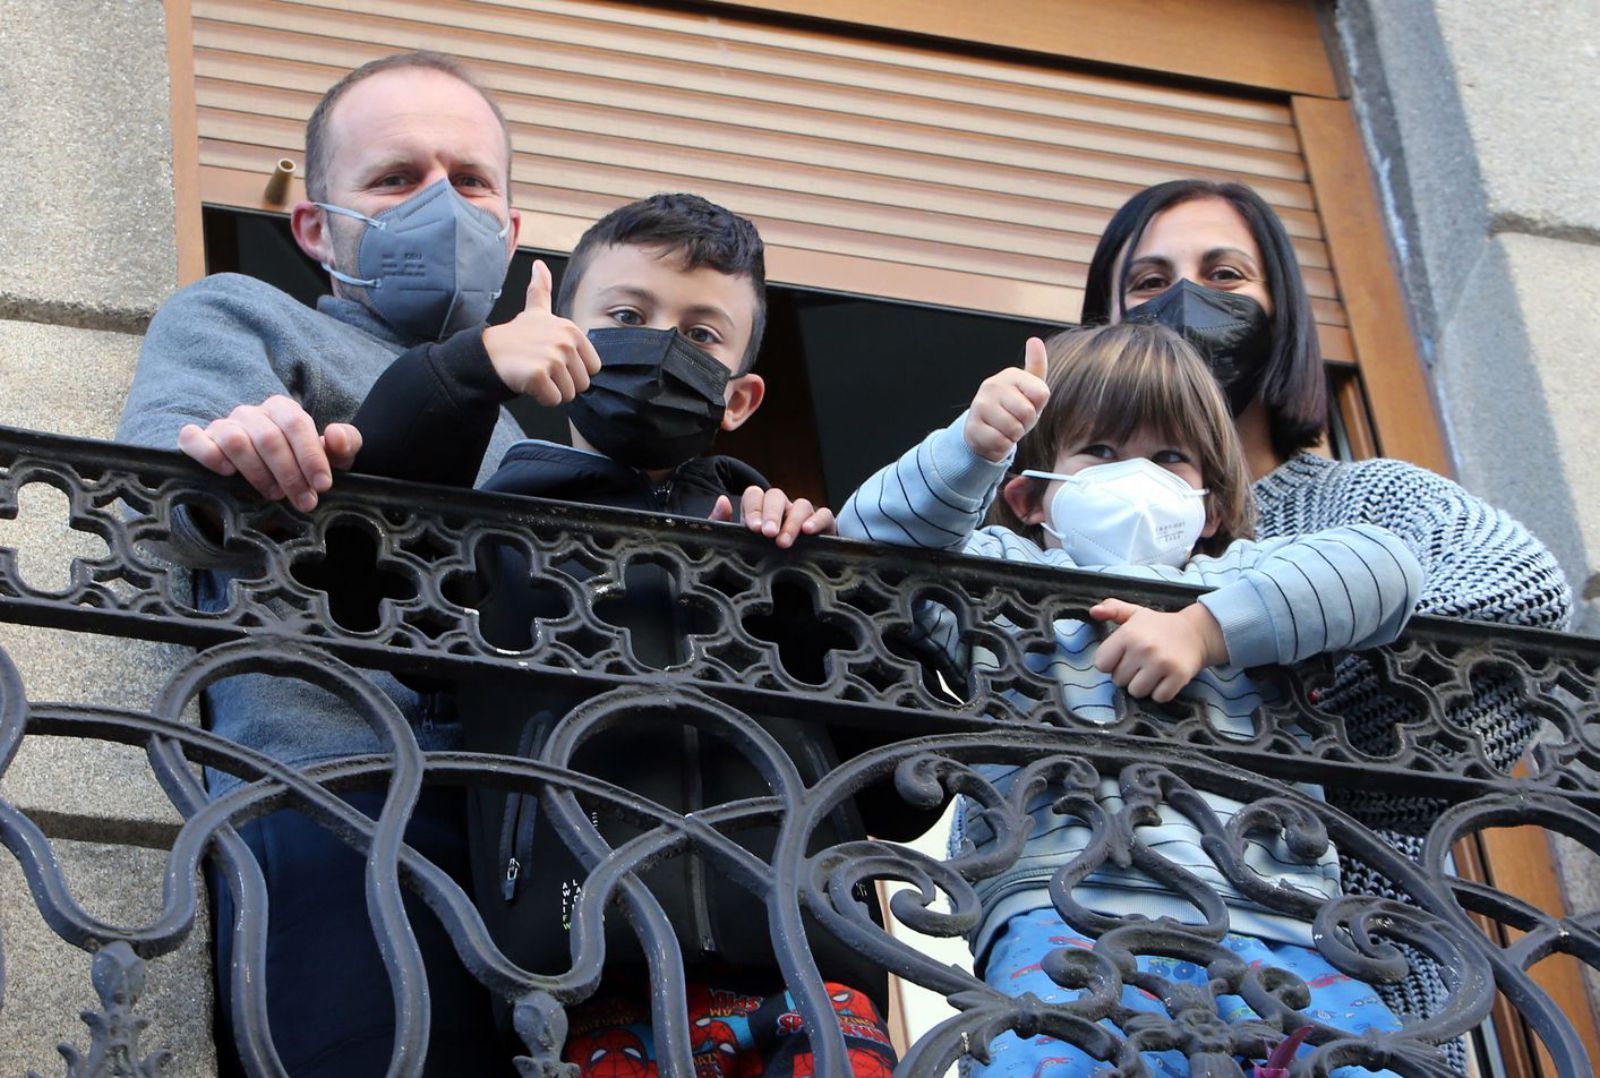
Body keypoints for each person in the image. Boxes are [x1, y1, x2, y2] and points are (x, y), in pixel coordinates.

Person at [349, 192, 906, 1077]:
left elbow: (906, 790)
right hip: (584, 976)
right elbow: (362, 549)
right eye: (625, 315)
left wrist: (831, 586)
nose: (659, 345)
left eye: (702, 334)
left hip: (812, 974)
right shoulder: (489, 527)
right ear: (558, 333)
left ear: (741, 396)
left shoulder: (777, 544)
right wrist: (474, 365)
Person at [113, 50, 591, 1076]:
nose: (439, 204)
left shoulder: (562, 441)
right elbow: (159, 483)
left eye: (469, 182)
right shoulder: (245, 315)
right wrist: (236, 442)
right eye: (394, 179)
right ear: (317, 227)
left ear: (508, 234)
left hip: (544, 852)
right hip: (332, 808)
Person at [839, 323, 1424, 1077]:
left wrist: (1208, 630)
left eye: (1169, 457)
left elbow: (1388, 569)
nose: (1136, 476)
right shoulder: (994, 578)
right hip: (1059, 926)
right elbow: (871, 546)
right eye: (1102, 452)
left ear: (1209, 509)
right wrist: (970, 448)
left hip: (1282, 930)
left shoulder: (1245, 575)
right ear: (1031, 496)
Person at [1078, 179, 1572, 1046]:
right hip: (1090, 992)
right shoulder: (1047, 523)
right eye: (1149, 283)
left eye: (1225, 274)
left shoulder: (1364, 499)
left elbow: (1519, 596)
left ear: (1283, 314)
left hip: (1353, 995)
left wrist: (1275, 660)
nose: (1187, 300)